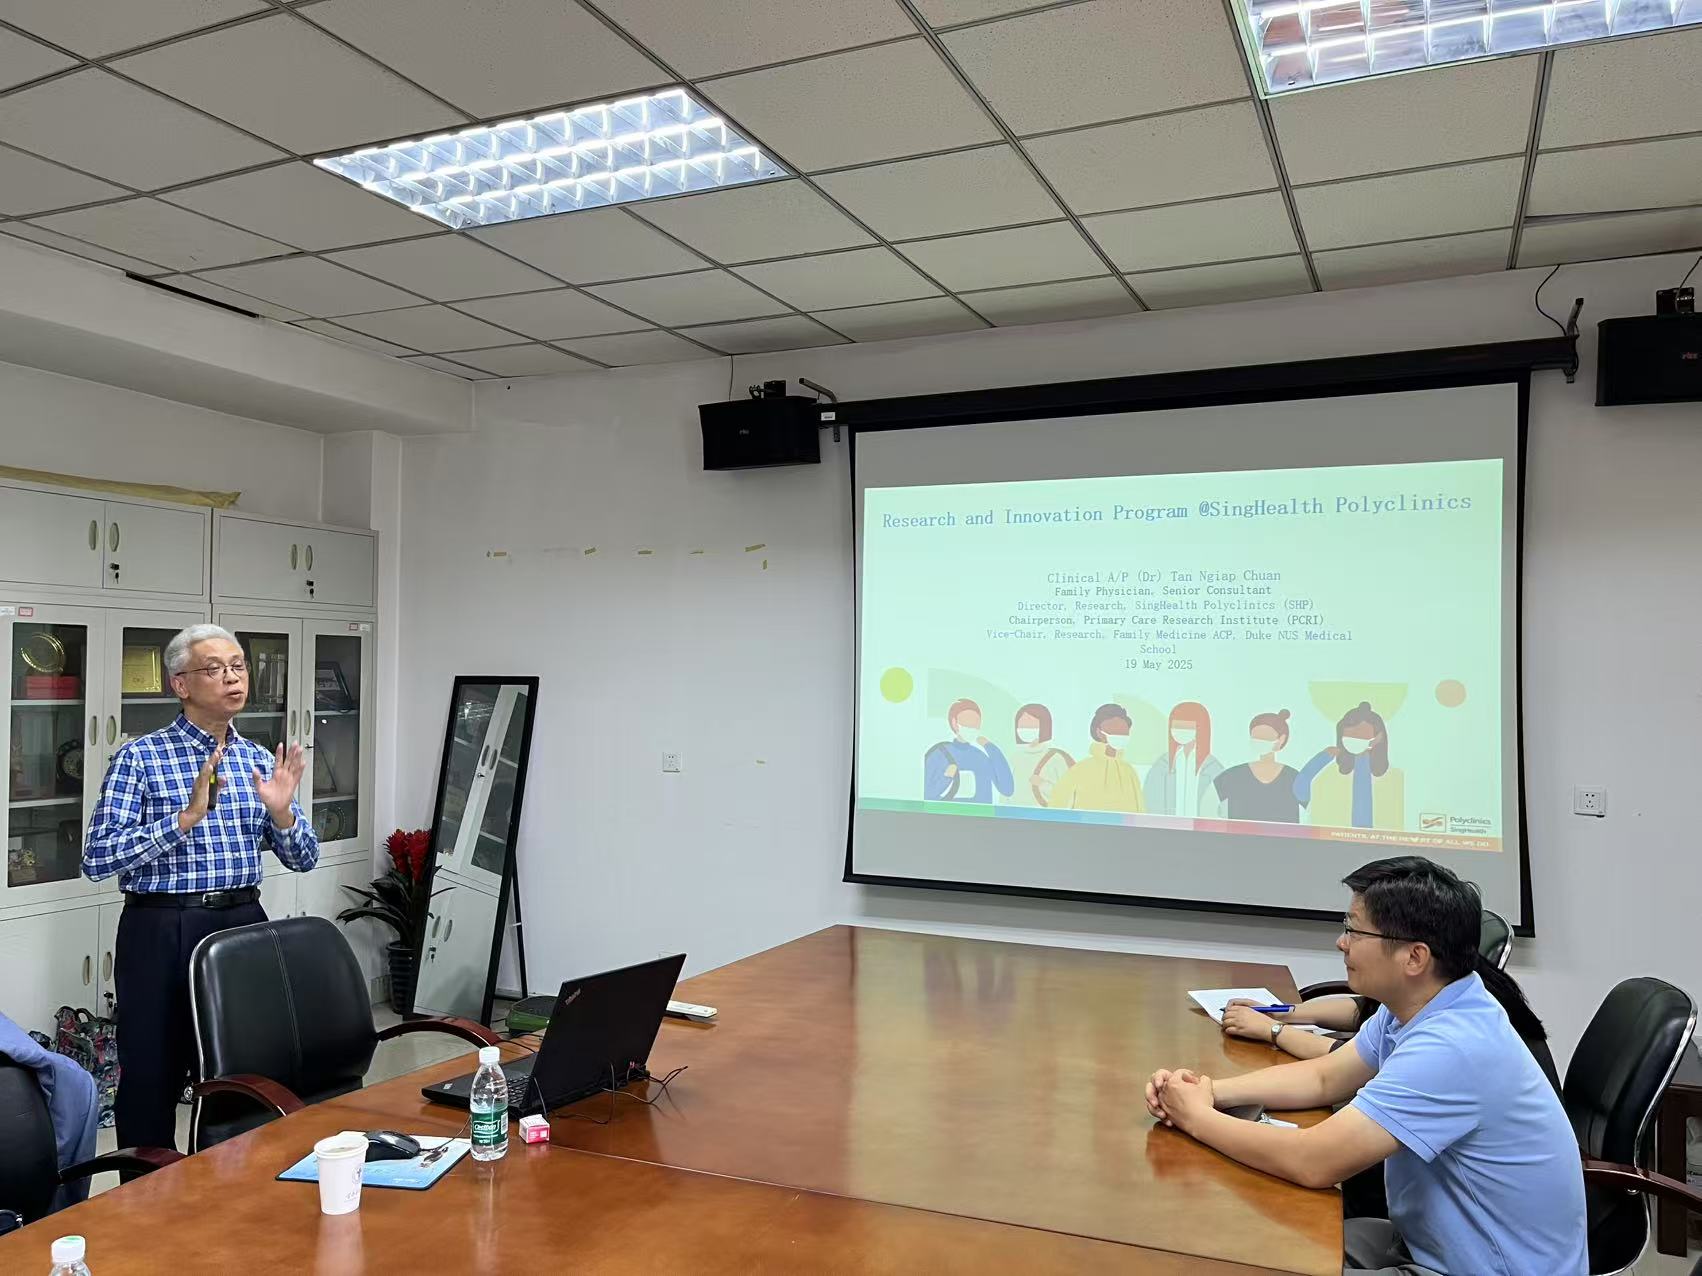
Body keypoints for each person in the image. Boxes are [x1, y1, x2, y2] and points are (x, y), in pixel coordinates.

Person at [1144, 856, 1586, 1276]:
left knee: (1247, 1256)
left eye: (1354, 931)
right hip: (1426, 1245)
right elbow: (1324, 1077)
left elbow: (1313, 1162)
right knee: (1258, 1240)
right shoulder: (1418, 1005)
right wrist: (1210, 1091)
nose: (1342, 942)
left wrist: (1196, 1117)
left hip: (1481, 1269)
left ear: (1414, 957)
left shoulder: (1454, 1046)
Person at [83, 624, 316, 1157]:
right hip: (162, 926)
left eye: (238, 666)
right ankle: (147, 1193)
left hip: (243, 924)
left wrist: (282, 814)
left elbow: (304, 858)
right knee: (152, 1072)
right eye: (215, 669)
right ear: (181, 684)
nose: (233, 678)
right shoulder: (140, 757)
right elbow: (96, 858)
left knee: (246, 1067)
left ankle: (237, 1184)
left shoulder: (259, 759)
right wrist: (183, 820)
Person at [1295, 701, 1405, 830]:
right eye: (1349, 735)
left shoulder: (1395, 777)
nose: (1355, 739)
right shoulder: (1328, 772)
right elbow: (1300, 790)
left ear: (1379, 737)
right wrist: (1320, 760)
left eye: (1362, 735)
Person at [1047, 703, 1144, 813]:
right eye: (1114, 731)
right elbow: (1057, 805)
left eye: (1123, 732)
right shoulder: (1081, 770)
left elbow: (1140, 810)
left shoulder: (1129, 771)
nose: (1119, 735)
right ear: (1099, 732)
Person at [1213, 710, 1304, 822]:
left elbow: (1315, 810)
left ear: (1281, 739)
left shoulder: (1294, 779)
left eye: (1265, 737)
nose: (1260, 741)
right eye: (1255, 737)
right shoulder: (1233, 776)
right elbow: (1207, 806)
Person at [922, 699, 1013, 804]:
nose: (972, 727)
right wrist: (946, 778)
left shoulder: (981, 757)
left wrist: (991, 748)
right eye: (967, 722)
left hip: (981, 813)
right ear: (954, 723)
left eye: (976, 723)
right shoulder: (939, 754)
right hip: (946, 813)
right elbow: (927, 795)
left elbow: (1007, 789)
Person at [1144, 701, 1223, 819]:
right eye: (1176, 726)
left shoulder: (1213, 767)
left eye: (1188, 727)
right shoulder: (1162, 765)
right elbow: (1150, 800)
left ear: (1200, 728)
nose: (1181, 731)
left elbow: (1222, 807)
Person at [1010, 703, 1073, 807]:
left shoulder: (1056, 759)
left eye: (1031, 725)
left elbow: (1068, 795)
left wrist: (1043, 785)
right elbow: (1006, 794)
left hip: (1046, 815)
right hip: (1014, 815)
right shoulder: (1015, 758)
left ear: (1044, 727)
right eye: (1022, 725)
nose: (1025, 729)